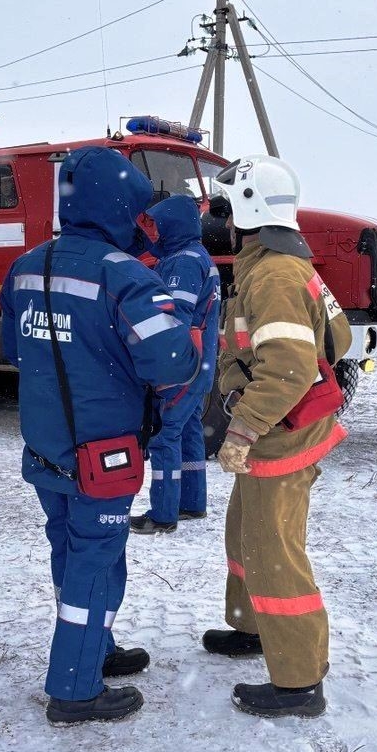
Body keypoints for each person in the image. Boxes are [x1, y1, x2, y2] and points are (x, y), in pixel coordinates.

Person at [0, 146, 201, 726]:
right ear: (118, 207)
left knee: (72, 549)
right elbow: (169, 361)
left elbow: (16, 349)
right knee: (95, 559)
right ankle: (74, 686)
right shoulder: (126, 276)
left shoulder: (27, 266)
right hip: (103, 453)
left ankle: (96, 647)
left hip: (47, 448)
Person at [202, 155, 352, 719]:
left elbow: (289, 365)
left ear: (249, 209)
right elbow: (334, 336)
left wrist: (244, 427)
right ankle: (252, 629)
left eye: (225, 208)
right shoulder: (281, 265)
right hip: (282, 430)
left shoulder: (273, 275)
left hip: (276, 437)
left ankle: (298, 681)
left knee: (274, 555)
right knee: (245, 537)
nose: (219, 220)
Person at [129, 194, 221, 533]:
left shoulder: (183, 262)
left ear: (174, 224)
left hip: (182, 367)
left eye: (158, 225)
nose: (154, 232)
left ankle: (163, 514)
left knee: (164, 434)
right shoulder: (198, 256)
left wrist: (162, 363)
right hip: (202, 365)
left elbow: (175, 319)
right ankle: (193, 503)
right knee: (188, 431)